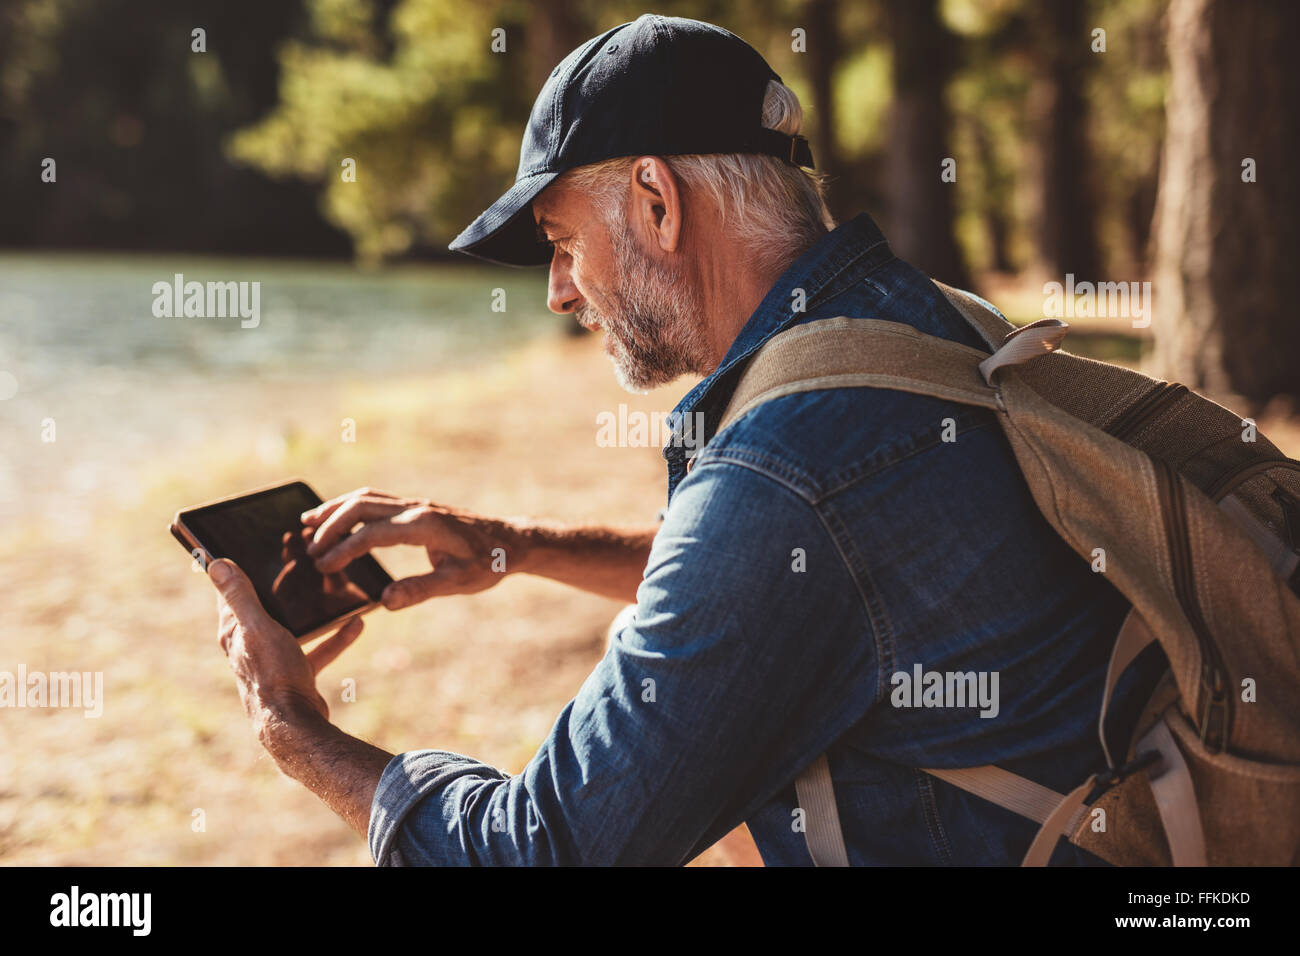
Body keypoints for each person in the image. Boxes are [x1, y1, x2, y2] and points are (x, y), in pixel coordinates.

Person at [207, 14, 1162, 865]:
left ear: (658, 202)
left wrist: (293, 728)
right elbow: (813, 579)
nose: (558, 290)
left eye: (560, 241)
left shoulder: (790, 465)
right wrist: (520, 546)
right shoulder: (925, 327)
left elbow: (544, 852)